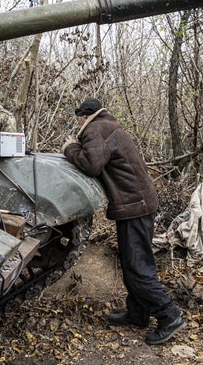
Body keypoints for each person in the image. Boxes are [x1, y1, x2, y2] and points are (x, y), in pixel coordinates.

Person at [61, 98, 185, 345]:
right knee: (132, 263)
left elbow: (91, 164)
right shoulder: (109, 126)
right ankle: (138, 314)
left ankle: (169, 315)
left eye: (78, 118)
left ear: (85, 116)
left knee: (138, 266)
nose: (77, 123)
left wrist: (70, 148)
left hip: (134, 207)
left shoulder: (95, 129)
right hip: (138, 204)